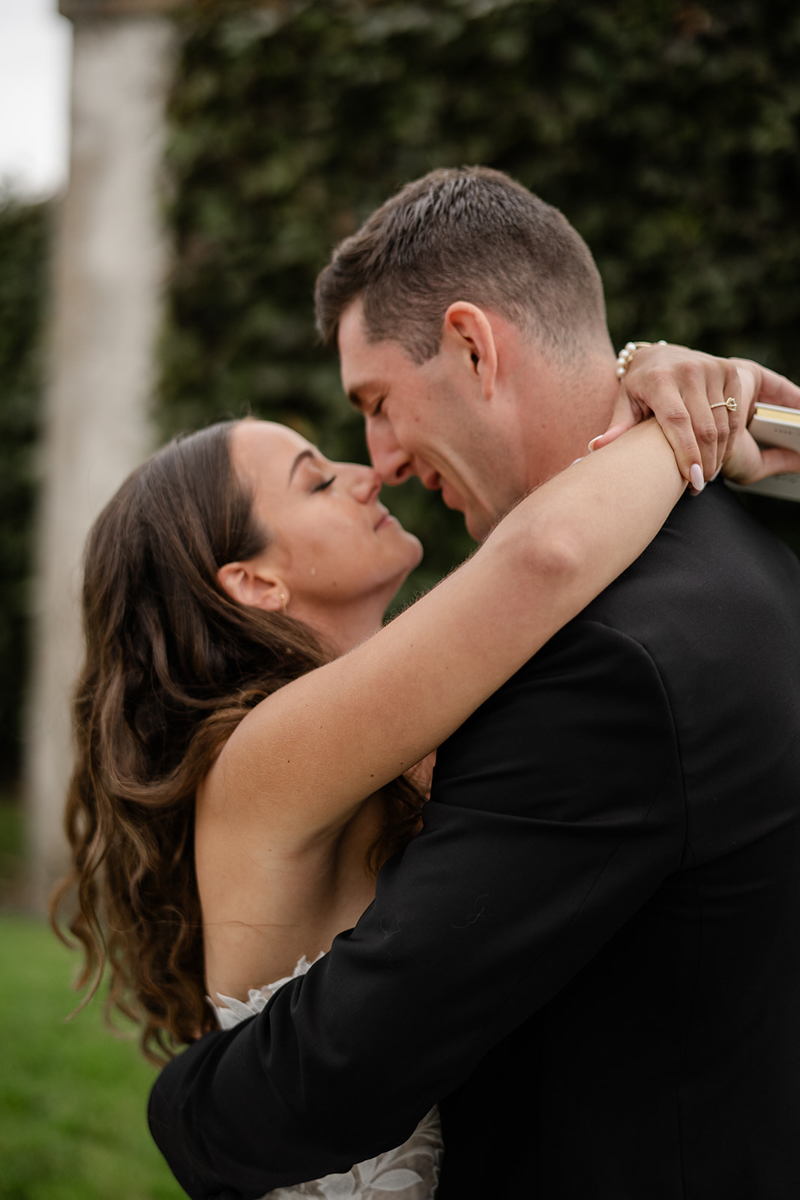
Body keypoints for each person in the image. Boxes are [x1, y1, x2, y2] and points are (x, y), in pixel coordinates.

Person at [138, 168, 800, 1200]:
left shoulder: (597, 662)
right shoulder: (740, 561)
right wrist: (683, 415)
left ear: (472, 345)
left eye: (373, 408)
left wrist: (185, 1108)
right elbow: (545, 555)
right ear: (251, 580)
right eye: (320, 470)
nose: (378, 464)